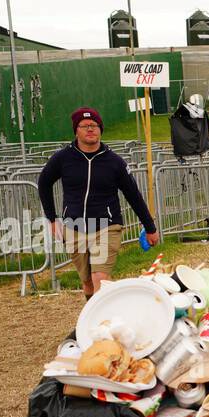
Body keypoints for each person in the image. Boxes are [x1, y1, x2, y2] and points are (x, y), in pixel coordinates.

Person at [37, 107, 159, 299]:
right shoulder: (63, 158)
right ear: (76, 130)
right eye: (84, 126)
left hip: (106, 226)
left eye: (94, 125)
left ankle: (102, 323)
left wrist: (150, 227)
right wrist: (52, 219)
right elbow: (43, 183)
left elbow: (133, 194)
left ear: (101, 129)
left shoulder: (115, 162)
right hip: (74, 227)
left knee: (99, 278)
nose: (90, 129)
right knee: (87, 282)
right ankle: (93, 323)